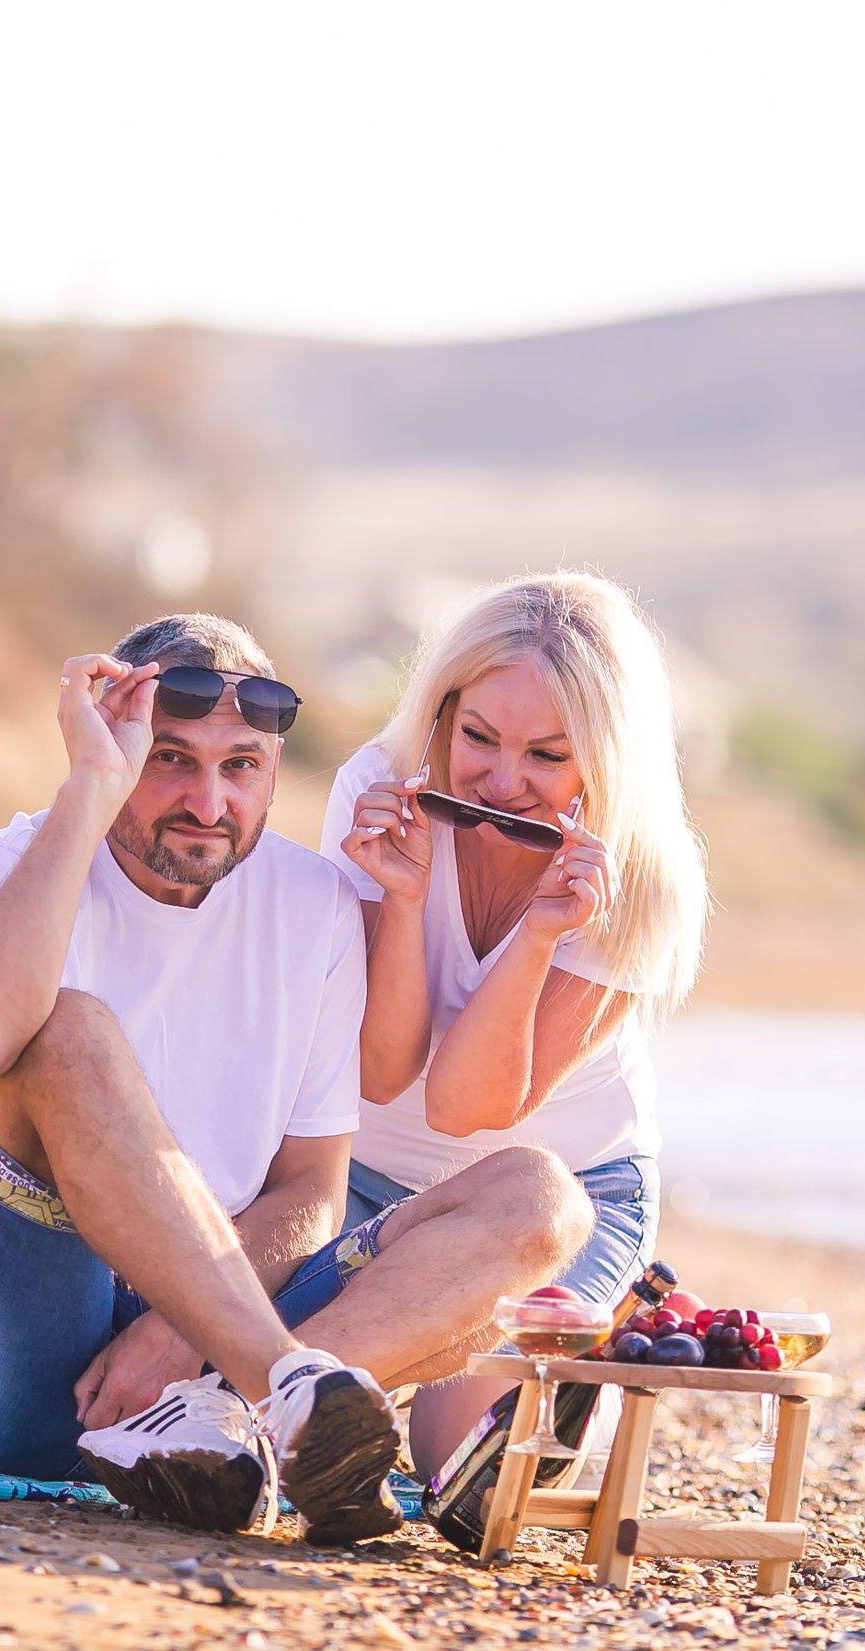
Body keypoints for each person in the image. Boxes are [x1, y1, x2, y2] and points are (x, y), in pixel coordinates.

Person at [0, 613, 593, 1544]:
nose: (208, 799)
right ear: (115, 750)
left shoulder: (313, 906)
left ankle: (228, 1422)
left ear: (273, 772)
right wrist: (90, 790)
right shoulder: (5, 863)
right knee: (66, 1028)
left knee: (543, 1198)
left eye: (240, 766)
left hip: (193, 1382)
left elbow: (313, 1189)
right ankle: (286, 1392)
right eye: (170, 760)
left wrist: (178, 1327)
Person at [322, 572, 709, 1487]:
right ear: (443, 713)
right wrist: (406, 895)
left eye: (546, 755)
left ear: (603, 765)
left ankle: (583, 1353)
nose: (502, 781)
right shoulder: (380, 790)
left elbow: (467, 1107)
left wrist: (542, 931)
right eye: (479, 739)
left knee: (466, 1466)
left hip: (563, 1203)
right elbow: (381, 1072)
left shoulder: (639, 878)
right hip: (364, 1179)